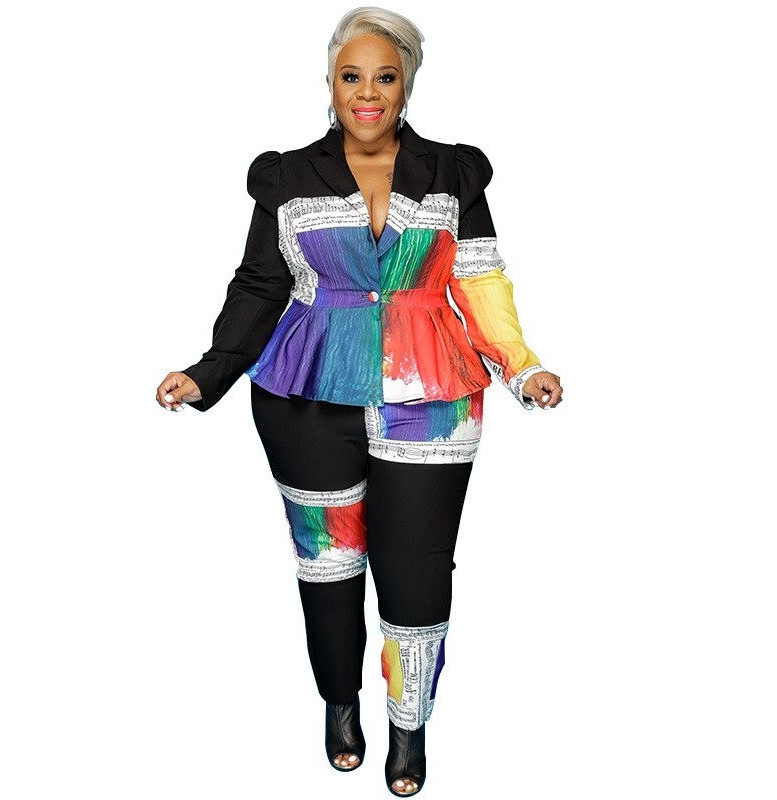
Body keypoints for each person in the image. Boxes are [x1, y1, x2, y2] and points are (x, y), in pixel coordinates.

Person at [156, 7, 564, 796]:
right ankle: (339, 702)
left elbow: (479, 278)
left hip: (434, 398)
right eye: (352, 77)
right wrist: (211, 370)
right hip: (304, 396)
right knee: (329, 561)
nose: (367, 94)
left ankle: (410, 725)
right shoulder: (286, 177)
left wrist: (521, 367)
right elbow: (261, 285)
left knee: (416, 569)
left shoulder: (453, 173)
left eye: (385, 77)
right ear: (330, 82)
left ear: (406, 85)